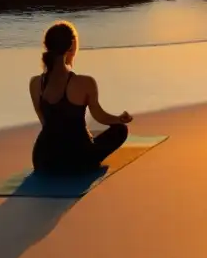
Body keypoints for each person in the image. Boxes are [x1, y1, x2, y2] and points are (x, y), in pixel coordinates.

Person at [30, 21, 132, 174]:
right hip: (78, 159)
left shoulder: (36, 83)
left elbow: (45, 122)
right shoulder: (85, 82)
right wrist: (120, 119)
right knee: (120, 130)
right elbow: (100, 116)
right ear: (71, 46)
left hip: (44, 159)